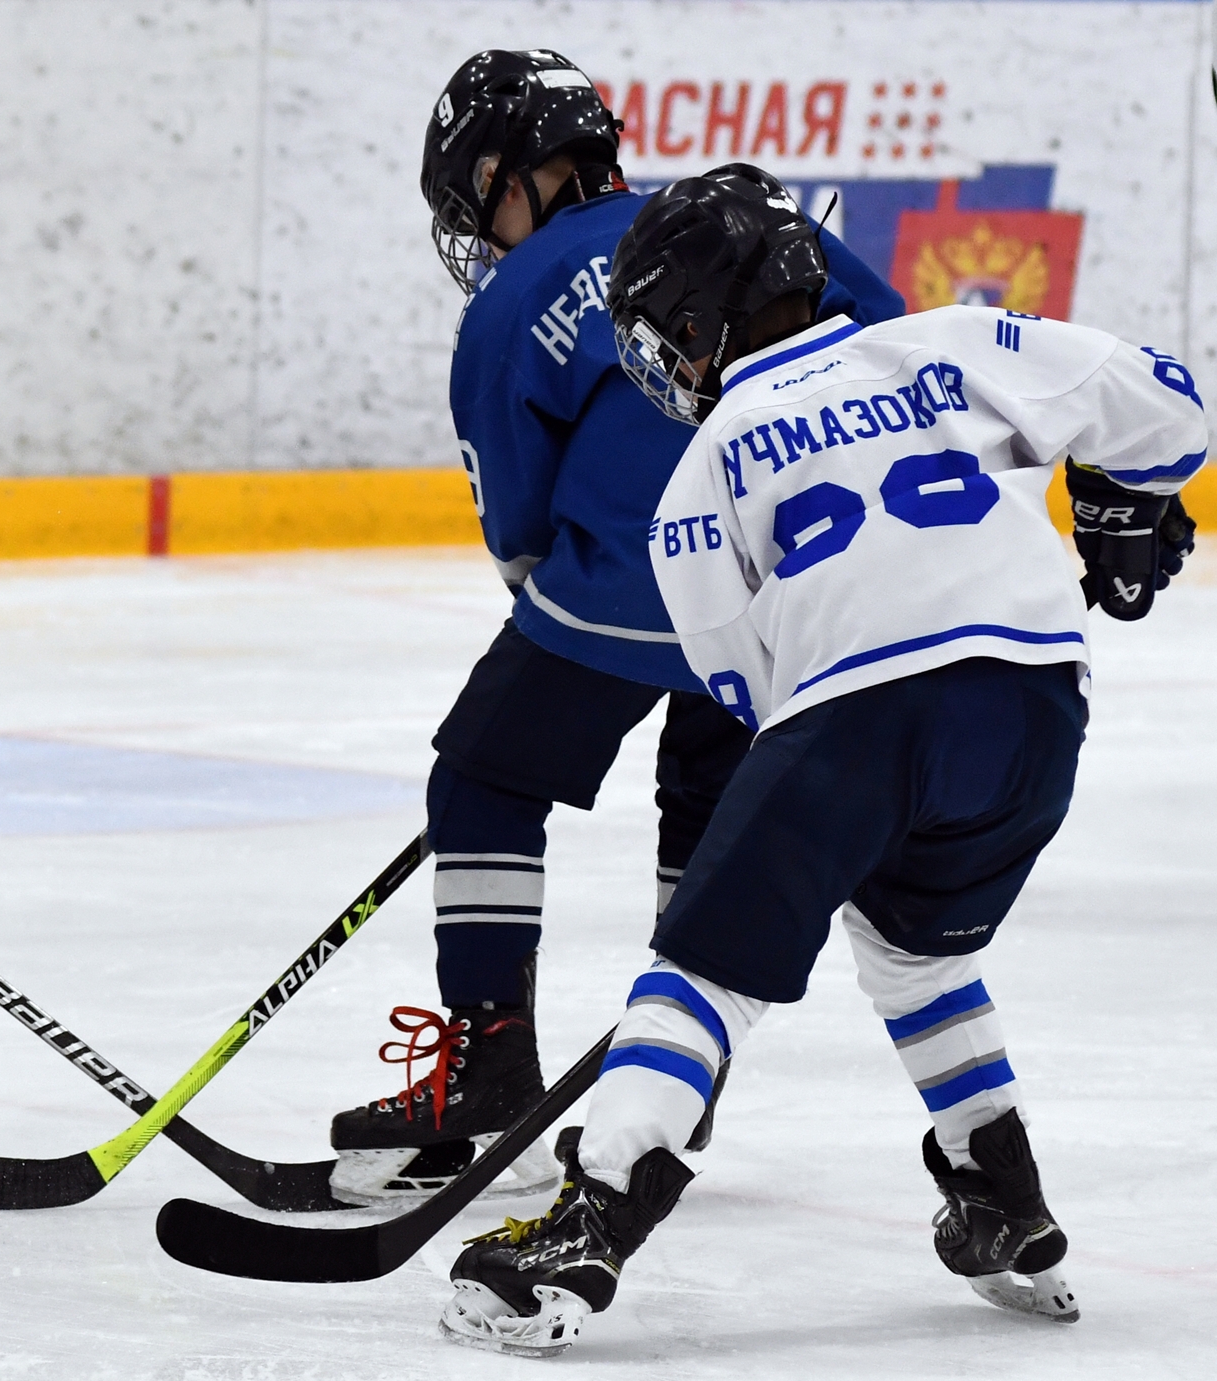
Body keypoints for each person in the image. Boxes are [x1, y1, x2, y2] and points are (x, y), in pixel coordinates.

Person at [436, 163, 1203, 1355]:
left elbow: (742, 682)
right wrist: (1120, 504)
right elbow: (1172, 404)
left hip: (852, 717)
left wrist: (827, 799)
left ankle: (588, 1221)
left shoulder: (703, 470)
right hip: (1040, 709)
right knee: (912, 944)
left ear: (696, 324)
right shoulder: (956, 341)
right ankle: (1000, 1192)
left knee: (702, 969)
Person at [326, 51, 904, 1206]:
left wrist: (554, 604)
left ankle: (487, 1059)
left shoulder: (519, 290)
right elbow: (890, 348)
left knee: (484, 780)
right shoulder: (739, 221)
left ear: (501, 173)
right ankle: (674, 1077)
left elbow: (519, 514)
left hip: (624, 585)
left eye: (474, 197)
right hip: (785, 595)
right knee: (709, 805)